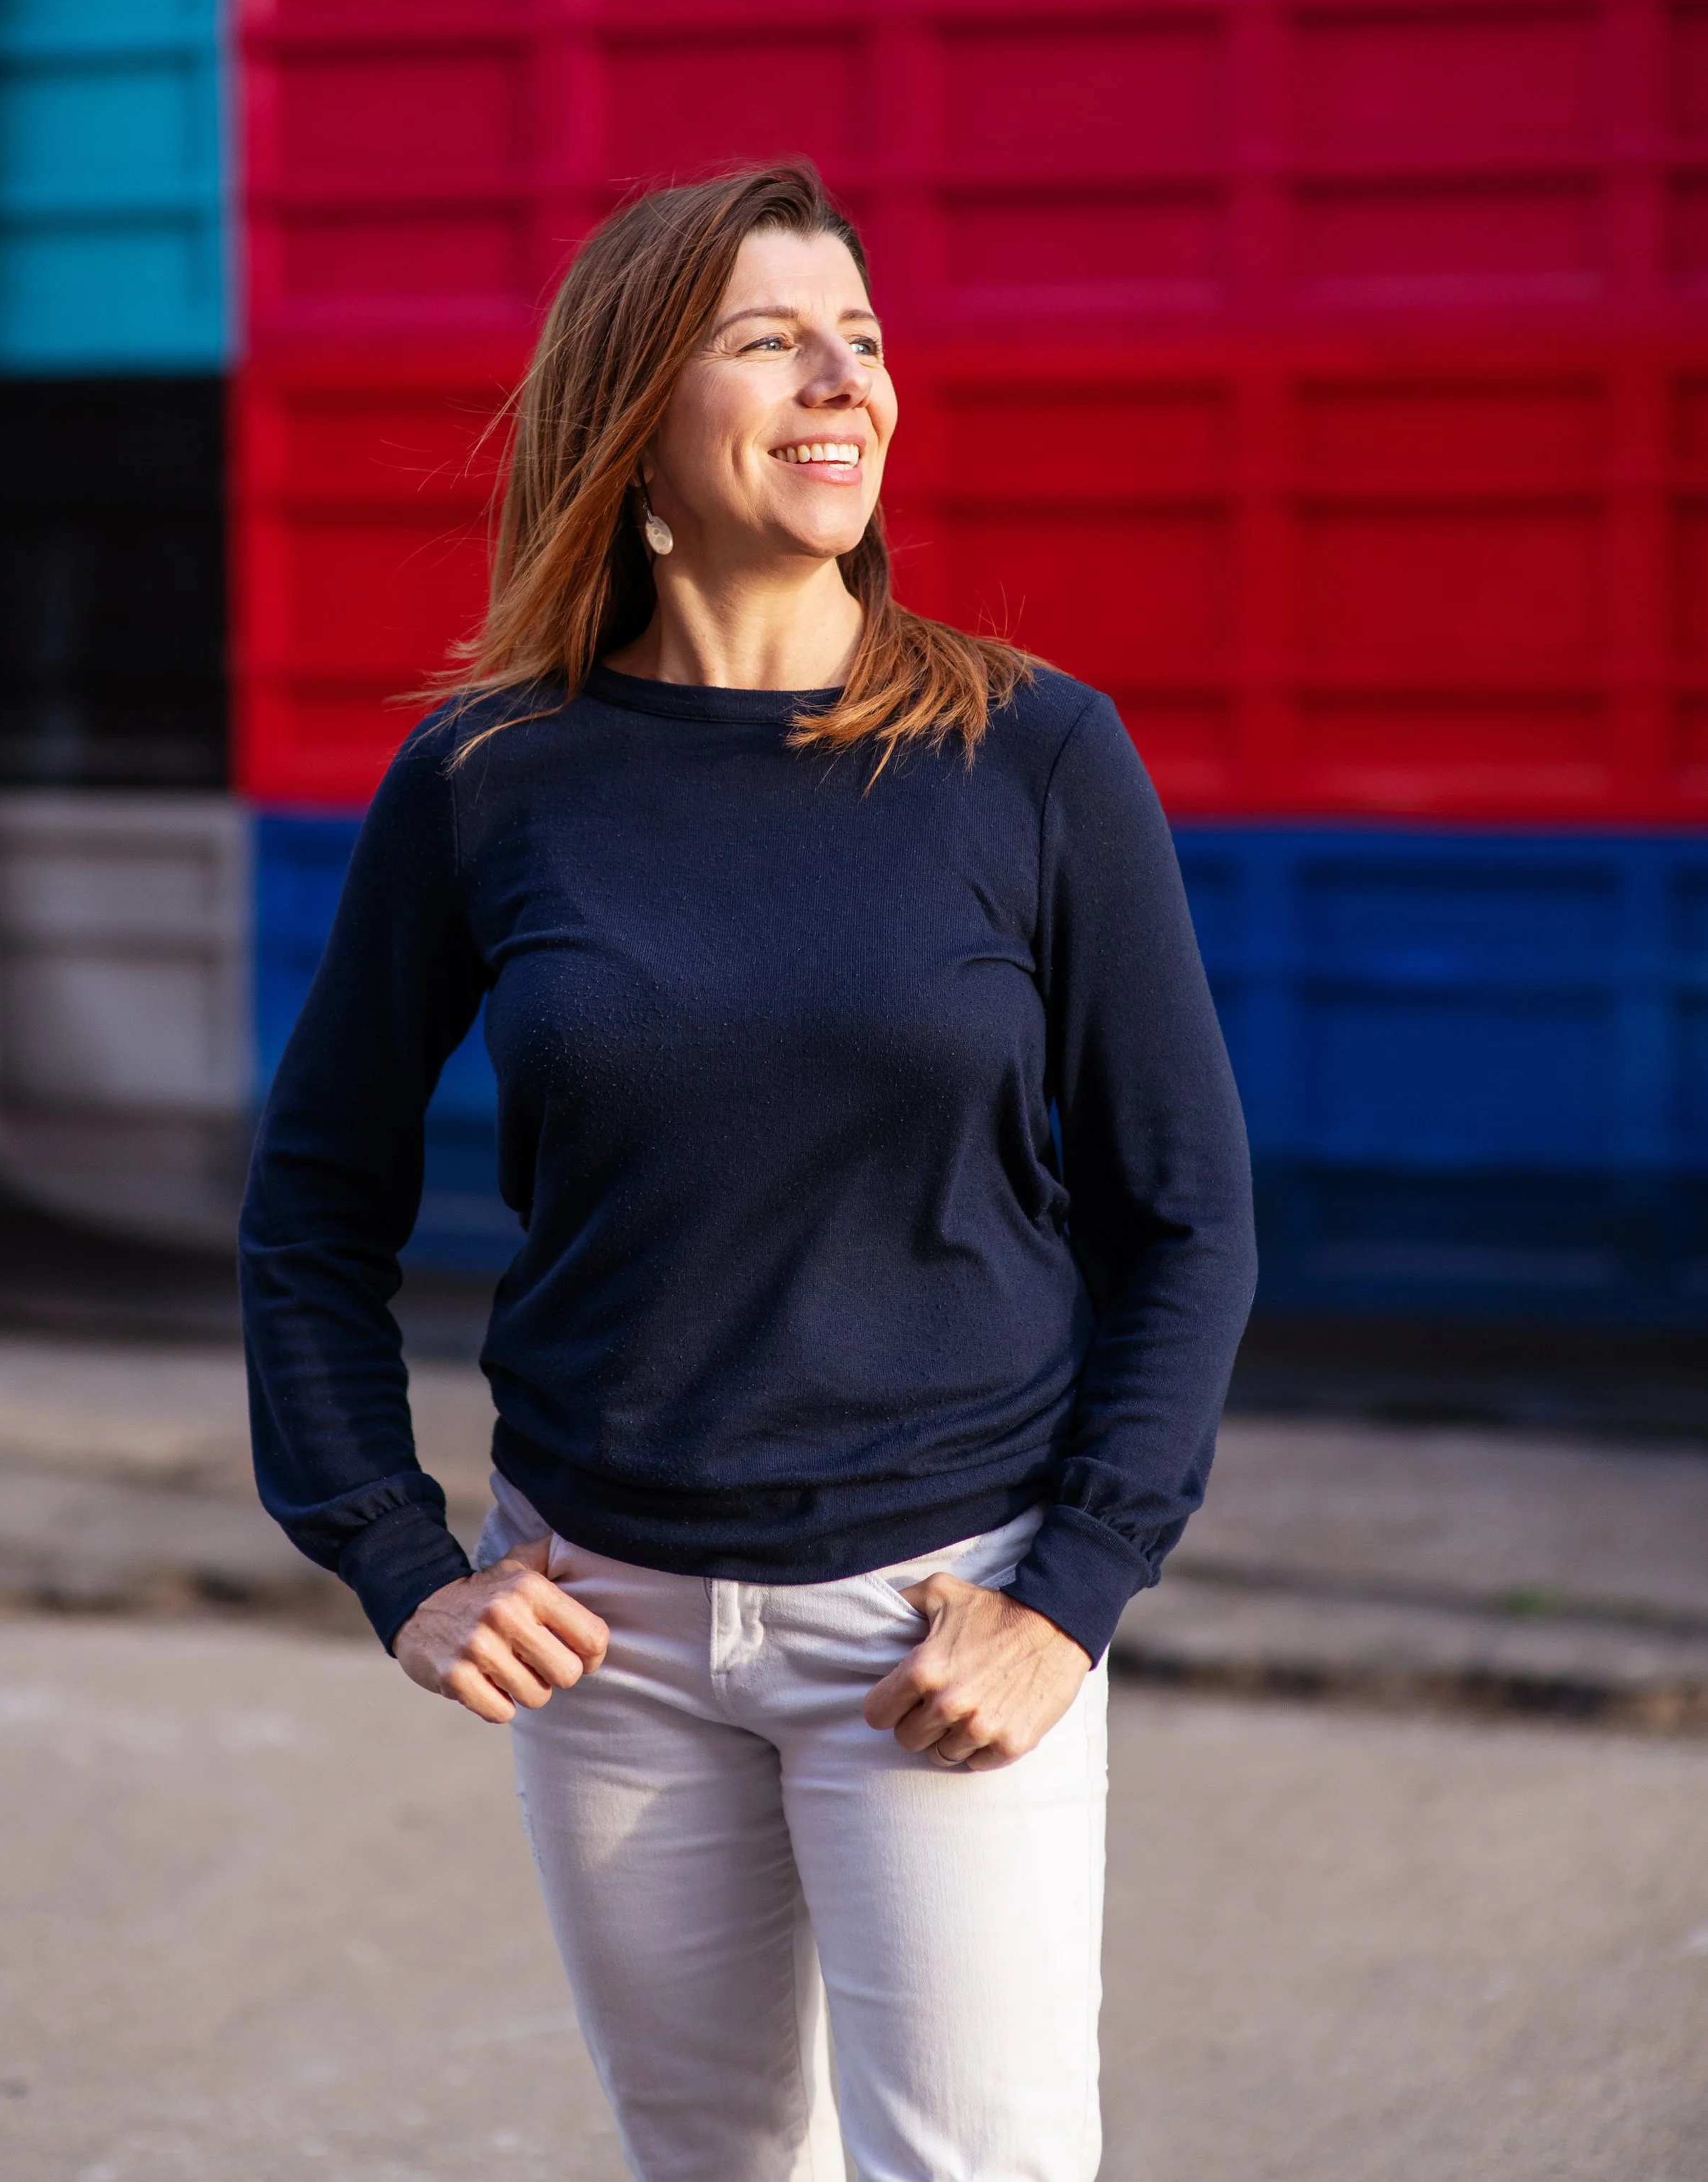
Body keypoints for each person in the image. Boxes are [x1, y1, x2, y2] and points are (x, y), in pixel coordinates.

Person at [240, 161, 1255, 2182]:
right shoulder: (486, 777)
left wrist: (1071, 1592)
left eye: (862, 341)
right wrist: (392, 1557)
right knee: (707, 2161)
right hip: (602, 1625)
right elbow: (309, 1209)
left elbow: (1184, 1210)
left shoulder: (1029, 751)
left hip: (934, 1620)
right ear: (633, 417)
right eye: (771, 336)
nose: (840, 382)